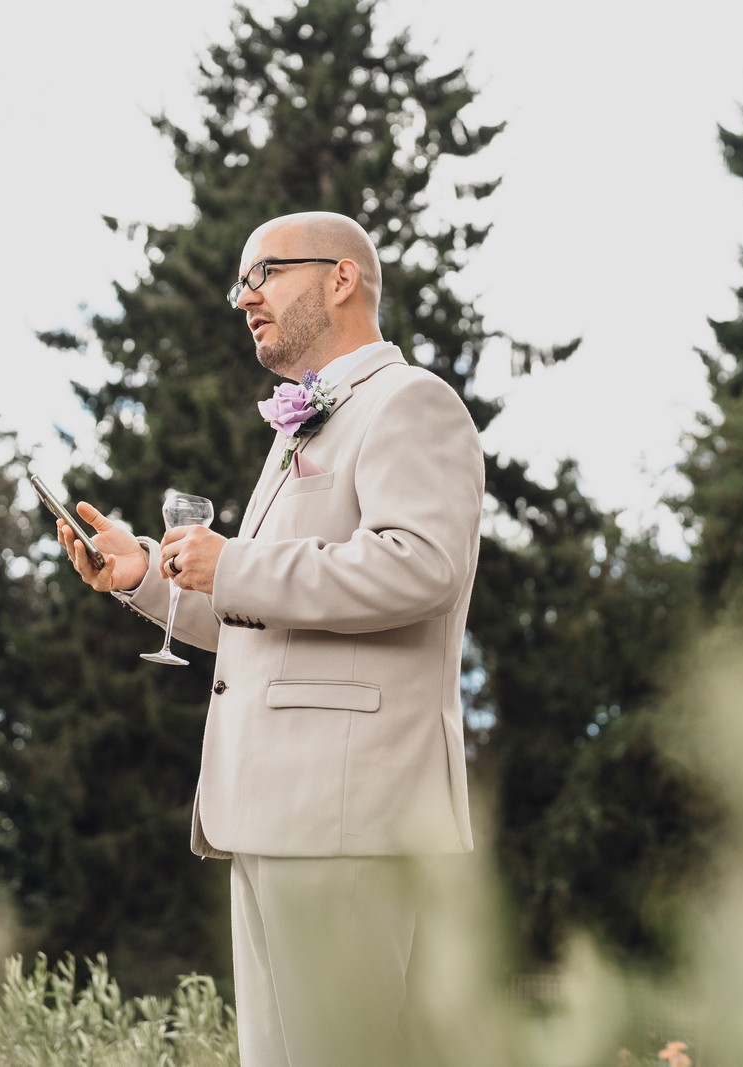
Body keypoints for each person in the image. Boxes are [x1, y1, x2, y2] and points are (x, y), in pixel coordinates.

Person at [56, 210, 484, 1066]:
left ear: (341, 278)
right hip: (266, 810)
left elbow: (420, 567)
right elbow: (263, 615)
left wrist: (236, 563)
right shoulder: (301, 426)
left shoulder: (412, 402)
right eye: (239, 282)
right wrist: (143, 573)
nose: (244, 297)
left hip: (348, 810)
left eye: (265, 274)